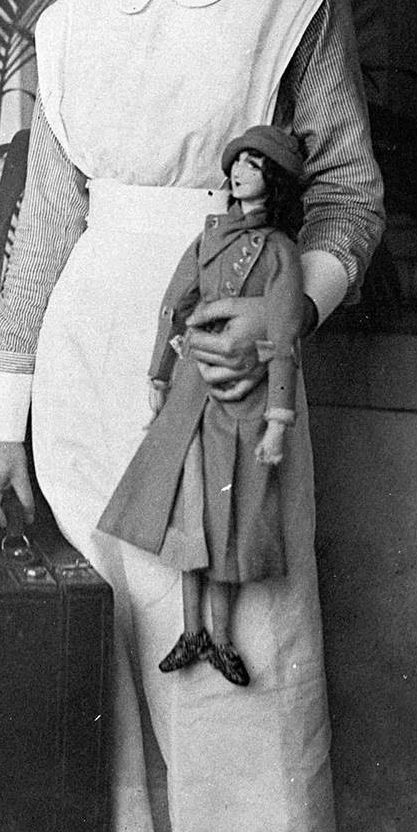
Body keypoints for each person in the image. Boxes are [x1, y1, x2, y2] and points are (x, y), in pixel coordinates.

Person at [0, 0, 385, 832]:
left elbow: (348, 193)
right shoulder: (70, 26)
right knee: (102, 690)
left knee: (235, 670)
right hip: (82, 376)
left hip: (224, 374)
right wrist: (4, 422)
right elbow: (48, 223)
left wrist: (287, 305)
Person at [98, 127, 311, 690]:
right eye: (237, 162)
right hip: (192, 391)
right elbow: (175, 305)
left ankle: (221, 637)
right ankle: (192, 631)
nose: (241, 172)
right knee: (188, 512)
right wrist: (157, 375)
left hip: (243, 398)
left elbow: (285, 337)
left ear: (276, 181)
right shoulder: (208, 236)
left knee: (231, 517)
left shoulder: (282, 252)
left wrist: (278, 423)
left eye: (255, 165)